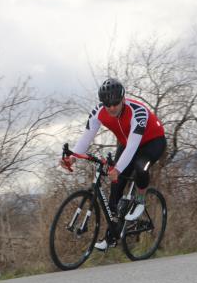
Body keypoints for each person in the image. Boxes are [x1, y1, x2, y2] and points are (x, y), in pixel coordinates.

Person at [60, 78, 166, 250]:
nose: (111, 108)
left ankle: (139, 200)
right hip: (126, 143)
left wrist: (117, 168)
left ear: (123, 99)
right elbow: (86, 137)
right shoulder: (98, 112)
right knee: (115, 191)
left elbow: (133, 146)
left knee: (140, 168)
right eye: (107, 104)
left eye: (115, 103)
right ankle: (112, 236)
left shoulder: (138, 112)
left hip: (152, 142)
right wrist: (73, 157)